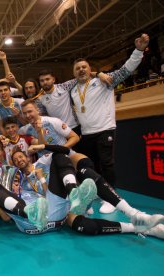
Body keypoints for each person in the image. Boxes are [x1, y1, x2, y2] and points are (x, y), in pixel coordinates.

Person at [70, 33, 149, 213]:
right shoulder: (73, 90)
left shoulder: (103, 81)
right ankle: (96, 193)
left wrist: (139, 50)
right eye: (77, 68)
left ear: (89, 69)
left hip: (104, 130)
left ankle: (112, 198)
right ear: (73, 73)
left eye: (84, 67)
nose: (81, 70)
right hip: (86, 133)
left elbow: (126, 70)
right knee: (90, 165)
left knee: (107, 165)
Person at [11, 148, 164, 238]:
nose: (19, 160)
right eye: (15, 160)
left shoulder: (43, 161)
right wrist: (41, 180)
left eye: (20, 157)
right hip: (57, 205)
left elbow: (64, 154)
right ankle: (139, 227)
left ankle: (134, 213)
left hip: (72, 191)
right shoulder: (22, 183)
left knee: (85, 171)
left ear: (27, 156)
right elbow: (44, 199)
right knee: (81, 225)